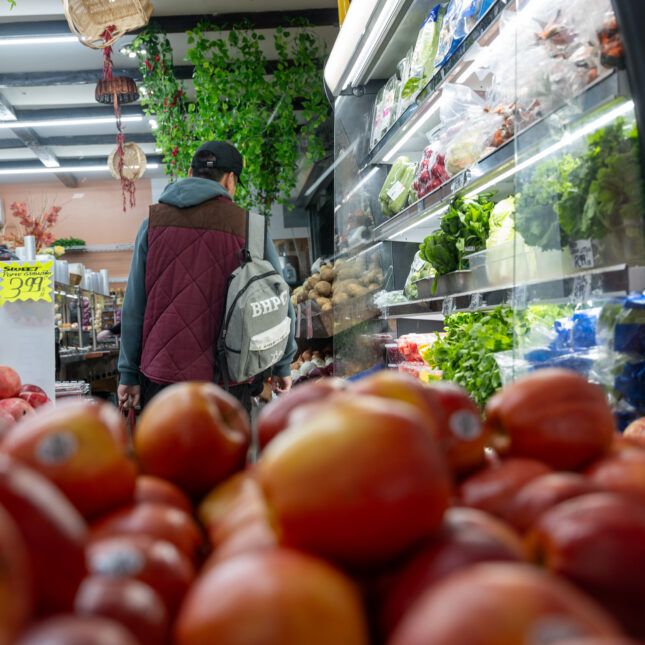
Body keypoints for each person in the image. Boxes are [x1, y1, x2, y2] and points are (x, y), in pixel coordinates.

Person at [117, 141, 297, 412]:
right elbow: (278, 302)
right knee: (224, 454)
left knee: (163, 453)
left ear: (190, 172)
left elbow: (133, 308)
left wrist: (128, 373)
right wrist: (283, 364)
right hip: (227, 378)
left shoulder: (151, 224)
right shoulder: (251, 227)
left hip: (161, 379)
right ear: (230, 179)